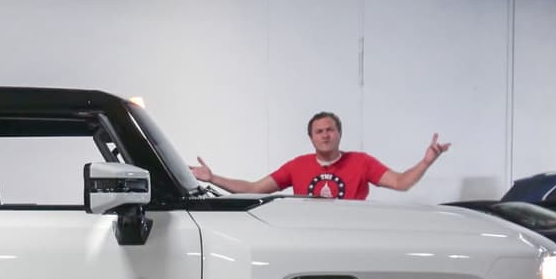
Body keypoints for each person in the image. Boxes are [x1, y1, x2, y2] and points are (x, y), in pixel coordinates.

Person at [189, 112, 450, 200]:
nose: (325, 135)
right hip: (312, 240)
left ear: (339, 134)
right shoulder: (298, 166)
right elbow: (255, 188)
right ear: (311, 138)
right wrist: (213, 178)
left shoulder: (362, 162)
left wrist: (427, 161)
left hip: (354, 239)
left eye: (330, 130)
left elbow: (400, 183)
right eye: (319, 132)